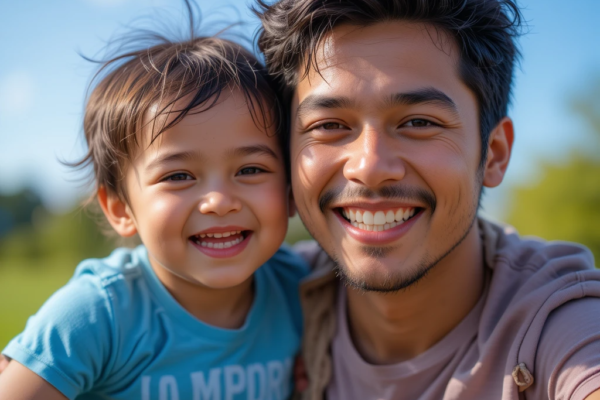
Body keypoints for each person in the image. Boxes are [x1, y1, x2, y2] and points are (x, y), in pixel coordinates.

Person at [255, 0, 600, 399]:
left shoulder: (561, 325)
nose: (370, 167)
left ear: (494, 153)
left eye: (419, 122)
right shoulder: (264, 301)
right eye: (329, 125)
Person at [0, 10, 308, 400]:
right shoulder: (96, 316)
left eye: (250, 168)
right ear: (120, 209)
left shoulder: (301, 289)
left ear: (290, 188)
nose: (218, 201)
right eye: (178, 176)